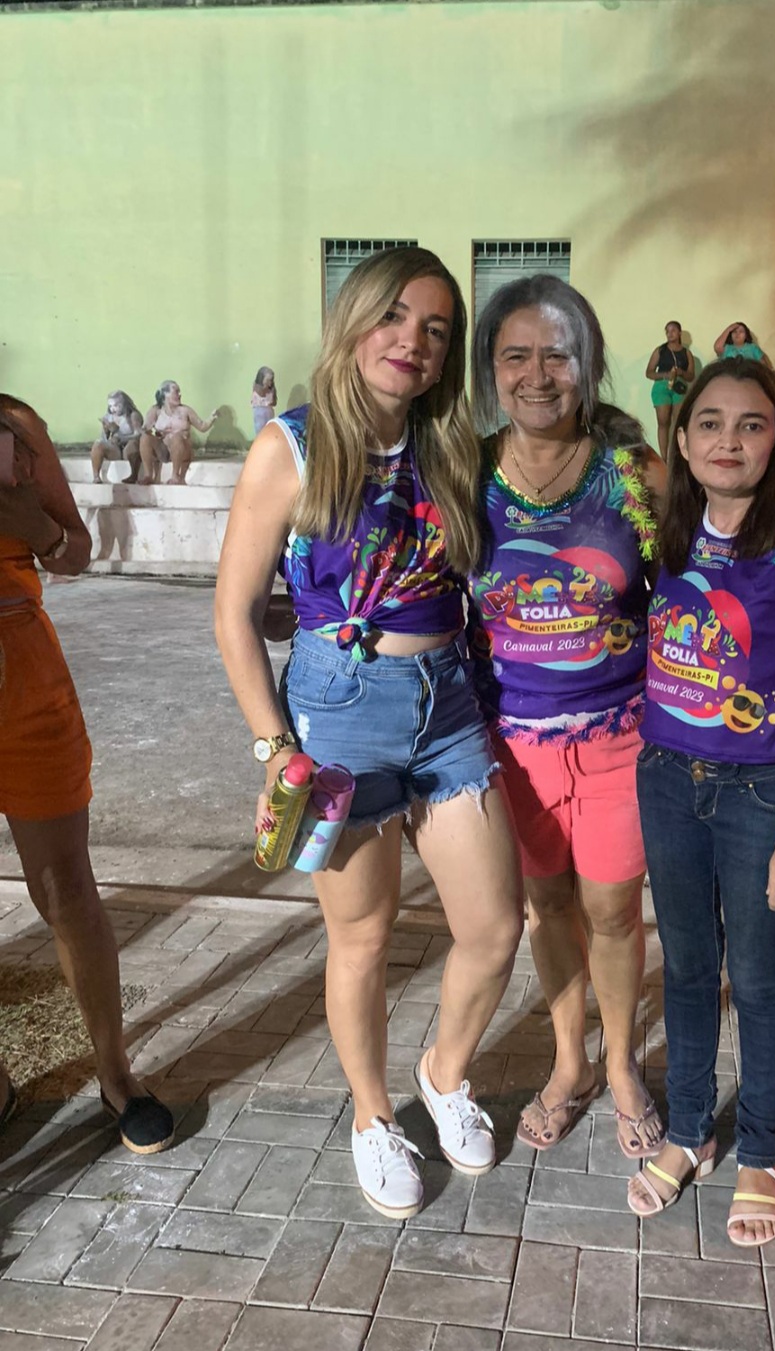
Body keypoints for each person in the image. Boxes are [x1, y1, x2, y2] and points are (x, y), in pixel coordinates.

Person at [215, 247, 523, 1221]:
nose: (412, 342)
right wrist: (275, 748)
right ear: (352, 321)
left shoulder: (455, 448)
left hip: (448, 705)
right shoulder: (293, 447)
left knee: (495, 926)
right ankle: (372, 1115)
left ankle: (444, 1071)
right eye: (393, 317)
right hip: (339, 711)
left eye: (435, 329)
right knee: (363, 935)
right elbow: (234, 614)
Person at [626, 357, 775, 1248]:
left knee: (757, 978)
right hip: (665, 777)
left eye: (752, 424)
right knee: (686, 968)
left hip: (762, 791)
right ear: (683, 440)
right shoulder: (672, 525)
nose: (729, 440)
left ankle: (761, 1148)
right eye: (710, 423)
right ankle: (690, 1130)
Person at [468, 275, 667, 1161]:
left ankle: (621, 1064)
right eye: (516, 355)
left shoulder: (635, 474)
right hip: (513, 745)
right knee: (547, 904)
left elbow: (695, 588)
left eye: (558, 355)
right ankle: (569, 1062)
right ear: (491, 369)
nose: (537, 375)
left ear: (588, 365)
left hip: (623, 736)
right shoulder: (465, 472)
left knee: (614, 909)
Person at [0, 395, 174, 1152]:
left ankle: (116, 1073)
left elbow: (75, 551)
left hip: (23, 674)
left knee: (66, 888)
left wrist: (31, 524)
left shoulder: (14, 425)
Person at [139, 380, 218, 486]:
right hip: (163, 449)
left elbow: (202, 427)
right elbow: (144, 429)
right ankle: (148, 475)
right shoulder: (156, 410)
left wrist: (212, 419)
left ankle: (175, 476)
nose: (180, 394)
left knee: (177, 437)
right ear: (165, 394)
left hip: (182, 450)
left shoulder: (185, 410)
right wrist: (158, 433)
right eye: (176, 392)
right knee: (145, 437)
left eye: (179, 392)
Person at [645, 321, 696, 461]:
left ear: (679, 333)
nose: (670, 333)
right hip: (662, 387)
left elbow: (691, 376)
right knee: (663, 422)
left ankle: (677, 457)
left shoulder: (687, 353)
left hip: (679, 387)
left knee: (679, 422)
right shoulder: (660, 350)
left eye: (673, 330)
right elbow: (649, 372)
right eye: (667, 331)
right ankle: (664, 458)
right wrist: (665, 375)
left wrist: (681, 372)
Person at [91, 391, 143, 484]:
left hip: (130, 446)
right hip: (116, 449)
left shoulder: (133, 415)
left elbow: (138, 434)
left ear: (124, 404)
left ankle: (133, 475)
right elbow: (104, 439)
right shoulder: (108, 417)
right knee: (97, 444)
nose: (113, 409)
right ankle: (96, 476)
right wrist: (106, 430)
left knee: (133, 444)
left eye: (116, 405)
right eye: (110, 406)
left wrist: (122, 438)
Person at [251, 367, 278, 436]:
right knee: (260, 432)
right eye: (267, 380)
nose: (269, 383)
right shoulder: (257, 388)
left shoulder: (272, 389)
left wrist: (272, 393)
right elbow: (261, 395)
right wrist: (264, 388)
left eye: (271, 380)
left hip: (269, 412)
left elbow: (274, 402)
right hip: (259, 413)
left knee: (270, 431)